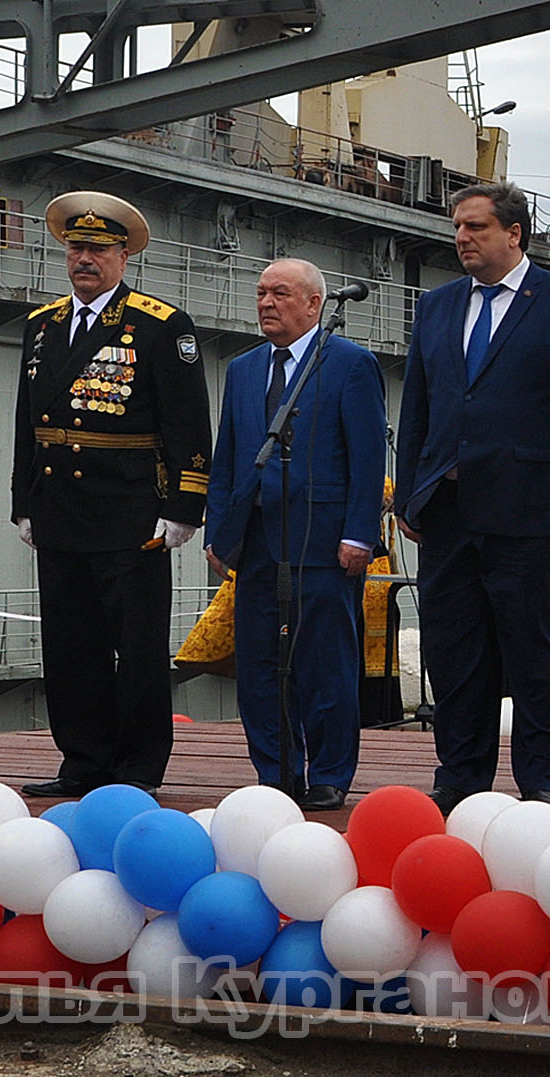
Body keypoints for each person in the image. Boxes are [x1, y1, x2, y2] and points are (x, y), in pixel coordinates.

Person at [395, 183, 550, 812]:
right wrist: (411, 493)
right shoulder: (437, 307)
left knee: (534, 651)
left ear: (514, 233)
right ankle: (459, 774)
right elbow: (420, 406)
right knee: (453, 648)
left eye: (476, 227)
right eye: (457, 227)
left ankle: (542, 780)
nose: (462, 237)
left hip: (531, 511)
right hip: (447, 510)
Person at [13, 193, 212, 798]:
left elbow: (188, 423)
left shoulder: (160, 324)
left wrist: (183, 506)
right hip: (61, 511)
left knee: (138, 646)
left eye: (98, 249)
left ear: (123, 256)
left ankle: (138, 765)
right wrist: (23, 499)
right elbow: (27, 419)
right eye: (76, 248)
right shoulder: (40, 325)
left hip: (132, 513)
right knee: (71, 645)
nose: (85, 259)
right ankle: (82, 759)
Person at [204, 260, 387, 812]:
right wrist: (218, 531)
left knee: (325, 660)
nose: (265, 303)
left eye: (279, 293)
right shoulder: (243, 369)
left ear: (314, 303)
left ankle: (329, 773)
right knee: (260, 662)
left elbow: (366, 455)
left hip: (324, 537)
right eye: (260, 292)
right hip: (257, 537)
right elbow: (228, 456)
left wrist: (359, 532)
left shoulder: (351, 364)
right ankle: (276, 769)